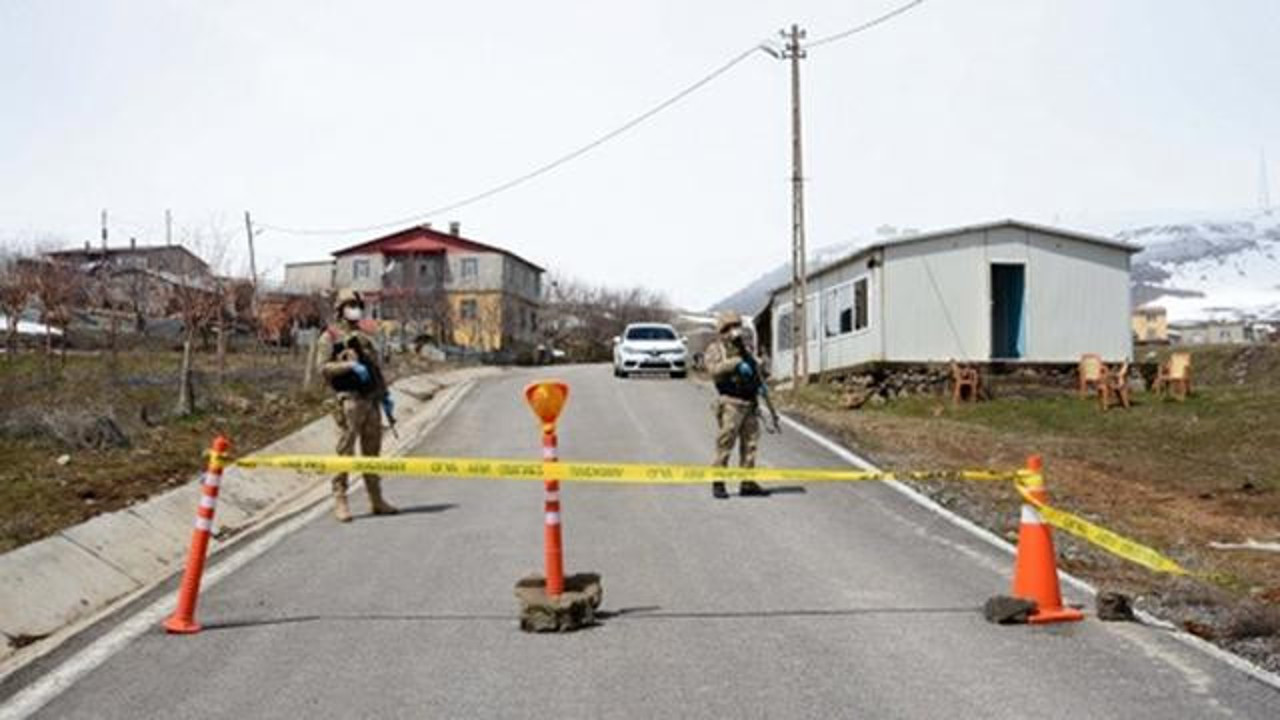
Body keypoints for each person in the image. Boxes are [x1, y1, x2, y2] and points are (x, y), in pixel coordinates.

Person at [320, 289, 399, 522]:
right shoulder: (330, 337)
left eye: (357, 305)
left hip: (370, 400)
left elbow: (375, 370)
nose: (355, 309)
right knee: (345, 451)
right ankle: (340, 499)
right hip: (349, 400)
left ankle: (376, 499)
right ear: (340, 309)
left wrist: (385, 396)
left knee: (372, 452)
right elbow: (323, 368)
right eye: (350, 305)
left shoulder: (364, 338)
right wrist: (349, 367)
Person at [704, 311, 768, 499]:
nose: (734, 331)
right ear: (722, 329)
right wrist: (736, 363)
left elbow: (757, 370)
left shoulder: (745, 348)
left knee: (750, 444)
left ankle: (747, 482)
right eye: (730, 327)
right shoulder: (716, 349)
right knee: (725, 444)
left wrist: (760, 381)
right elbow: (714, 370)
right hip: (730, 403)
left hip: (749, 402)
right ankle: (719, 482)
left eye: (736, 326)